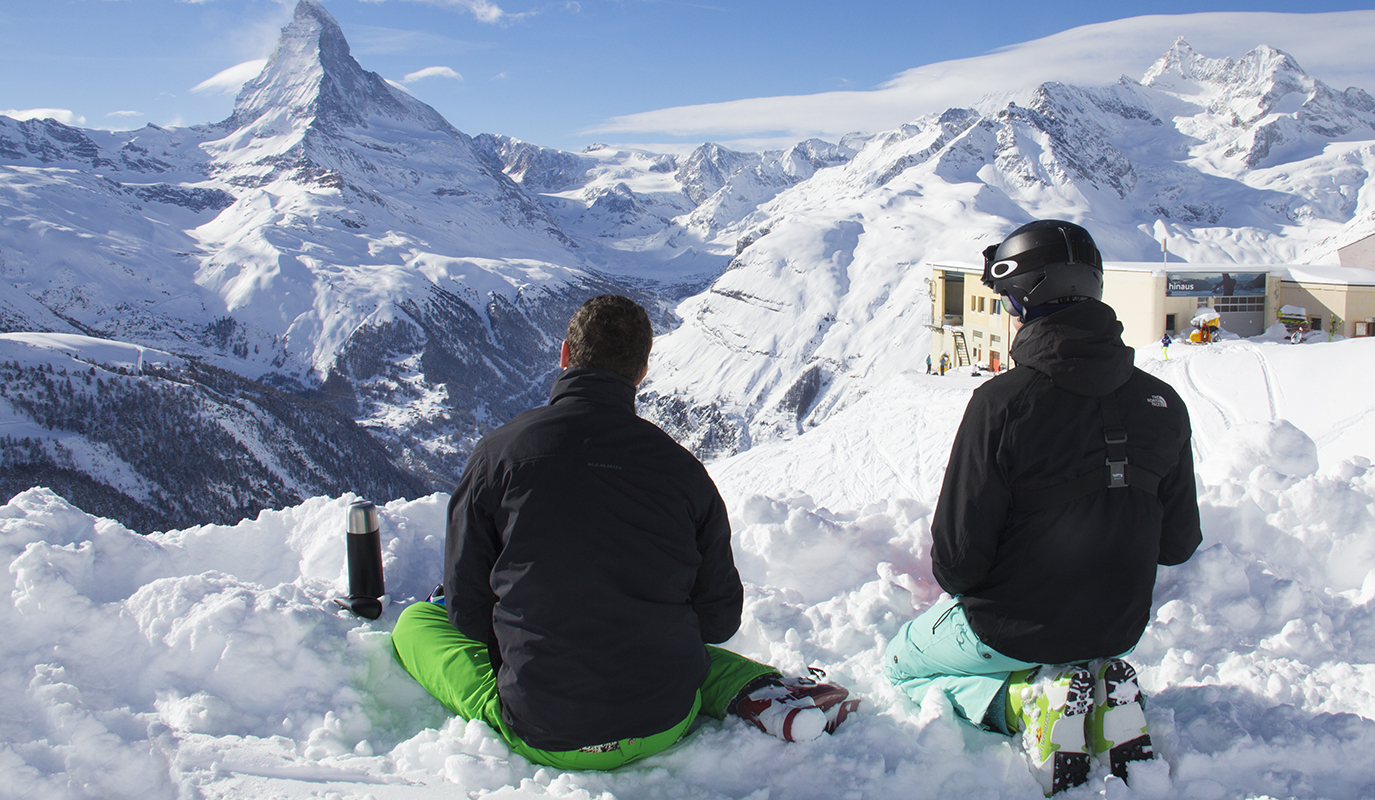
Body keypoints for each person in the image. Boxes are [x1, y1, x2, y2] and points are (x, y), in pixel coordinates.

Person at [392, 295, 857, 770]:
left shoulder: (498, 456)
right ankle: (748, 688)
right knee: (665, 642)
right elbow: (719, 622)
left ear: (566, 355)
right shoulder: (684, 472)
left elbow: (468, 615)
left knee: (415, 625)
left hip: (547, 730)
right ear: (641, 372)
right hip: (666, 720)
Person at [884, 221, 1201, 796]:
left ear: (1026, 299)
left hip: (1015, 627)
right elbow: (1178, 544)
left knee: (901, 664)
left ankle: (1028, 701)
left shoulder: (1002, 403)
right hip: (1119, 626)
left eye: (1007, 299)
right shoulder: (1164, 402)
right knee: (1064, 641)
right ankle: (1098, 695)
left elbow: (957, 561)